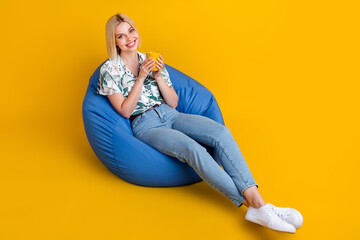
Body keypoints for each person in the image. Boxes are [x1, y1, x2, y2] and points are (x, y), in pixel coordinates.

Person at [96, 13, 303, 233]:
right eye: (121, 36)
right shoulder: (109, 70)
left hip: (169, 114)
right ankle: (257, 206)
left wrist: (156, 75)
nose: (129, 38)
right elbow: (125, 111)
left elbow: (174, 102)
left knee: (221, 133)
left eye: (131, 31)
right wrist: (140, 78)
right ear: (114, 42)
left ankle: (260, 205)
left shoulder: (148, 58)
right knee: (192, 148)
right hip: (145, 125)